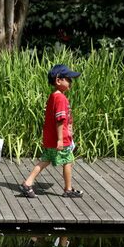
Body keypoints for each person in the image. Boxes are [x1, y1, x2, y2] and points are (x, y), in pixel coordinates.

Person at [20, 64, 84, 199]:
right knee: (68, 161)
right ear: (58, 80)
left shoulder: (53, 96)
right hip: (59, 139)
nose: (71, 82)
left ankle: (28, 183)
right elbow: (60, 119)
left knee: (45, 160)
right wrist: (61, 139)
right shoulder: (60, 98)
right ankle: (68, 189)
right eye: (68, 79)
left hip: (50, 138)